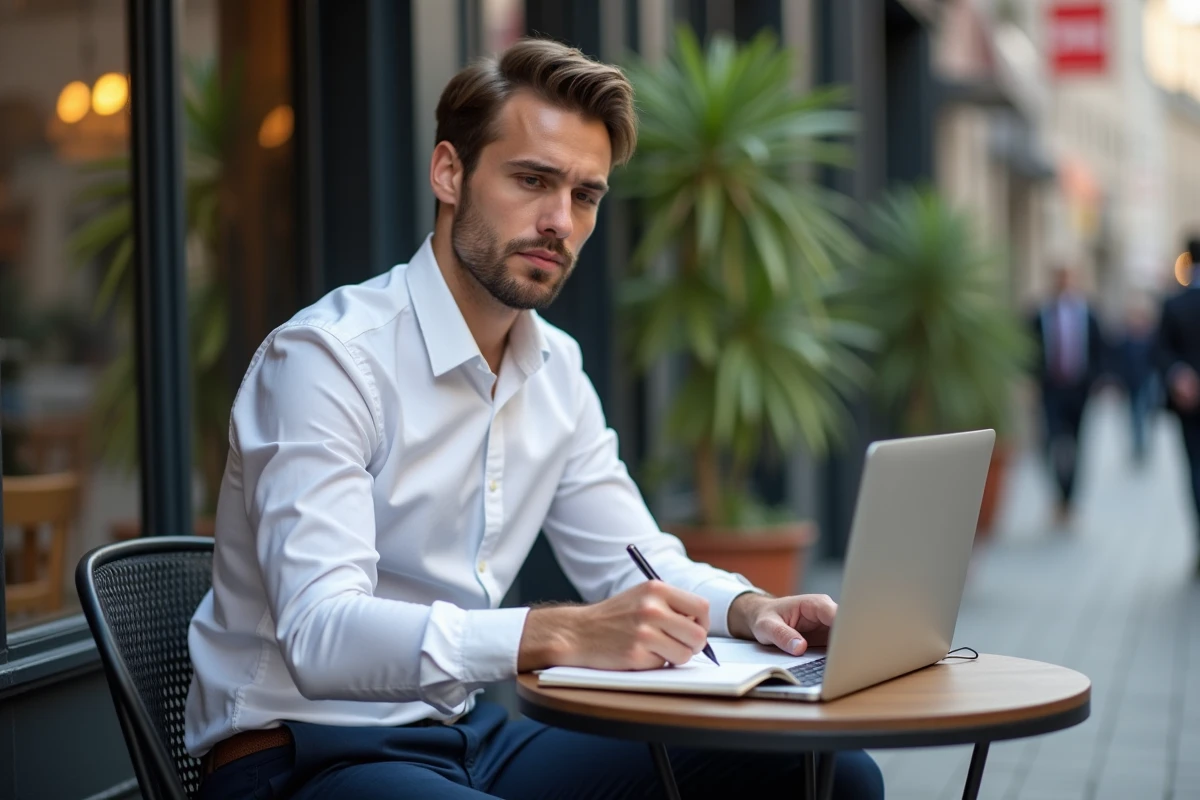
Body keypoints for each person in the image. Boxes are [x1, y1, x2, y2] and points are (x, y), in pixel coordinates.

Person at [185, 38, 884, 799]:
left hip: (463, 737)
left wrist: (753, 610)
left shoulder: (556, 369)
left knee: (829, 772)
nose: (560, 220)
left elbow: (635, 561)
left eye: (585, 195)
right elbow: (323, 635)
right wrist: (561, 631)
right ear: (449, 172)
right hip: (299, 755)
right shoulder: (327, 359)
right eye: (532, 180)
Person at [1030, 265, 1106, 527]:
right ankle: (1058, 496)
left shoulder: (1088, 314)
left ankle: (1070, 500)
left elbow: (1099, 349)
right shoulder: (1039, 314)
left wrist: (1096, 380)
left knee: (1077, 444)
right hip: (1051, 390)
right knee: (1051, 443)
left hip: (1079, 390)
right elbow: (1028, 349)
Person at [1157, 238, 1200, 575]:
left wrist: (1178, 374)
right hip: (1190, 408)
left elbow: (1160, 352)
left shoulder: (1174, 303)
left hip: (1189, 406)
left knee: (1196, 474)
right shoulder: (1174, 304)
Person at [1114, 296, 1160, 466]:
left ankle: (1143, 446)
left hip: (1147, 382)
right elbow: (1117, 361)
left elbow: (1157, 360)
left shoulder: (1151, 337)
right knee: (1133, 416)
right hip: (1129, 383)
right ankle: (1138, 446)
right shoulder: (1124, 338)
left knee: (1144, 414)